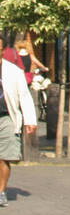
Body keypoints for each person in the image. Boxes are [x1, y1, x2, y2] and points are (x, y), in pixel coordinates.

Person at [0, 54, 38, 206]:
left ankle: (1, 191)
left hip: (7, 117)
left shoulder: (13, 71)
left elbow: (24, 95)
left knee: (4, 156)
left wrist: (30, 120)